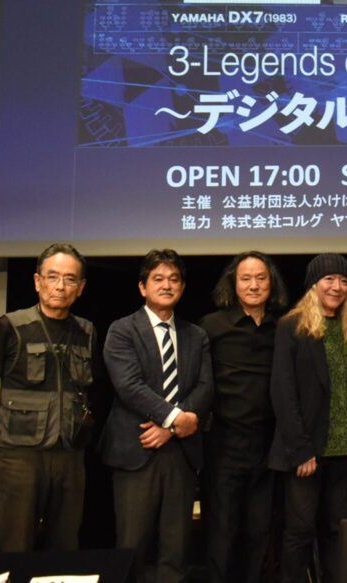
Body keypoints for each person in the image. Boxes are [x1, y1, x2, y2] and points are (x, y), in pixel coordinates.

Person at [101, 249, 213, 583]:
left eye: (174, 279)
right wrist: (177, 418)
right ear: (142, 287)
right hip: (137, 449)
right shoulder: (122, 330)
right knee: (132, 546)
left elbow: (205, 387)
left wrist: (173, 429)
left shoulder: (196, 335)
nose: (167, 285)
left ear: (182, 287)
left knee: (176, 548)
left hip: (181, 453)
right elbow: (129, 386)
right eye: (158, 279)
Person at [0, 243, 96, 551]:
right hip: (20, 458)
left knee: (64, 545)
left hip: (70, 456)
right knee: (15, 545)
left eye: (70, 279)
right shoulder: (10, 326)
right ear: (37, 281)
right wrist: (7, 427)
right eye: (52, 276)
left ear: (81, 287)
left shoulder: (86, 331)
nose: (60, 286)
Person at [268, 253, 347, 583]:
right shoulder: (292, 327)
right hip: (307, 451)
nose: (337, 287)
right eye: (329, 279)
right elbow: (283, 392)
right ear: (313, 285)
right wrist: (300, 449)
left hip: (346, 450)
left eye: (343, 281)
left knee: (337, 531)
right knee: (299, 531)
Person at [199, 252, 288, 583]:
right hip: (224, 446)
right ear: (233, 284)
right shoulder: (212, 326)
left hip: (268, 449)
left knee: (260, 535)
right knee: (221, 535)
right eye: (246, 278)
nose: (254, 285)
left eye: (261, 278)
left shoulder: (284, 327)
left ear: (271, 283)